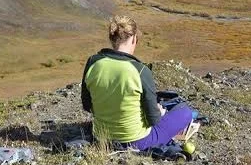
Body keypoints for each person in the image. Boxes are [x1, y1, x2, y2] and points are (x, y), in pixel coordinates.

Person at [81, 15, 193, 150]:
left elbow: (87, 105)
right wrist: (159, 112)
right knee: (186, 112)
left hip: (100, 137)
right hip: (137, 141)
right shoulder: (140, 71)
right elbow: (153, 120)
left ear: (112, 38)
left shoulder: (93, 62)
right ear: (134, 38)